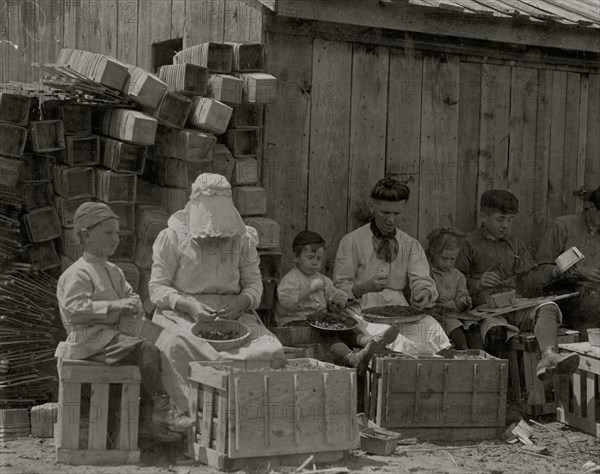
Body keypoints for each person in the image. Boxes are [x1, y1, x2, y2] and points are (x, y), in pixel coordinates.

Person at [55, 202, 192, 443]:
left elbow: (132, 297)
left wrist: (132, 305)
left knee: (165, 339)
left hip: (113, 336)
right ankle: (162, 409)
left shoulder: (113, 270)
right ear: (86, 235)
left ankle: (146, 422)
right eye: (108, 232)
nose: (115, 238)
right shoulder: (78, 273)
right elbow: (75, 310)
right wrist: (116, 307)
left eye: (117, 233)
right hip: (89, 341)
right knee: (144, 348)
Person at [149, 174, 285, 415]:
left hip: (233, 313)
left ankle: (248, 417)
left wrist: (244, 301)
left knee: (269, 350)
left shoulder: (241, 237)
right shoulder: (173, 236)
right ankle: (191, 418)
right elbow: (157, 288)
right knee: (176, 346)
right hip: (181, 312)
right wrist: (189, 307)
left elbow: (253, 282)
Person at [455, 189, 579, 379]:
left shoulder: (515, 244)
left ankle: (549, 356)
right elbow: (454, 279)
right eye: (500, 219)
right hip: (485, 311)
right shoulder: (469, 243)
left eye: (510, 220)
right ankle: (493, 384)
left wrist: (555, 271)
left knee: (548, 308)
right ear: (484, 216)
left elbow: (530, 279)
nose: (505, 225)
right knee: (495, 332)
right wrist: (478, 283)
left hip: (516, 305)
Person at [333, 178, 451, 355]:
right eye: (385, 212)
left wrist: (423, 293)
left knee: (433, 330)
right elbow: (339, 289)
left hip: (400, 312)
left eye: (397, 214)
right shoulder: (352, 241)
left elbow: (422, 280)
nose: (391, 220)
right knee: (390, 341)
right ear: (373, 207)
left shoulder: (410, 244)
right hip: (362, 312)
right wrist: (365, 287)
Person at [276, 230, 398, 374]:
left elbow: (336, 293)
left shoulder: (323, 280)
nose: (315, 262)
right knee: (326, 331)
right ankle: (352, 358)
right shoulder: (291, 279)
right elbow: (286, 301)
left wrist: (340, 301)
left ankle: (371, 343)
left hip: (317, 321)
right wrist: (309, 289)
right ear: (296, 257)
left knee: (344, 325)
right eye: (310, 257)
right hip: (295, 324)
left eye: (319, 258)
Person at [535, 185, 600, 340]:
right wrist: (578, 272)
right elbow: (540, 270)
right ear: (591, 207)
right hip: (566, 297)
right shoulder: (563, 226)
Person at [426, 227, 482, 350]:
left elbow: (461, 296)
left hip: (456, 313)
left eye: (453, 259)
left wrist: (464, 302)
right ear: (433, 251)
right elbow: (421, 293)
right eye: (444, 258)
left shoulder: (458, 276)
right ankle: (464, 352)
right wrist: (435, 295)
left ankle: (478, 354)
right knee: (455, 327)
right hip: (438, 316)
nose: (448, 263)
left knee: (473, 326)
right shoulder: (427, 272)